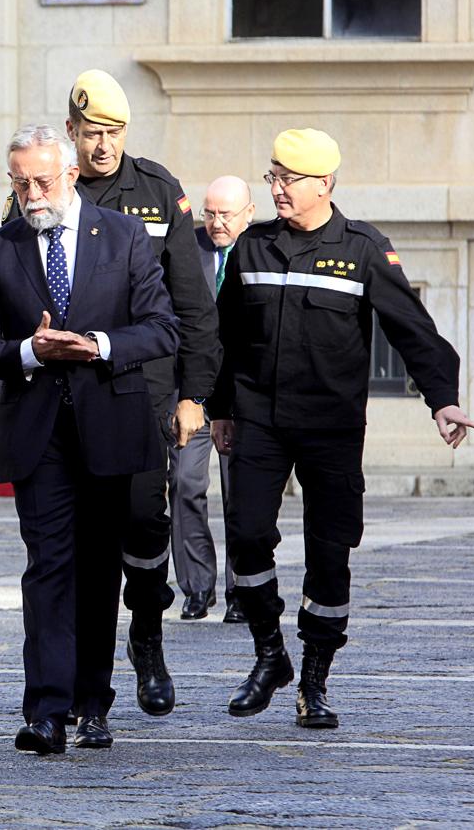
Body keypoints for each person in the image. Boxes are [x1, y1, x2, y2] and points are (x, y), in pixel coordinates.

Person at [209, 128, 474, 728]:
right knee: (248, 534)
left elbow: (412, 328)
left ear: (324, 184)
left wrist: (442, 400)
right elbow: (224, 337)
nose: (277, 189)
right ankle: (269, 654)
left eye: (289, 179)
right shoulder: (252, 248)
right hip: (259, 421)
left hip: (330, 426)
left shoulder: (362, 249)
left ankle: (314, 679)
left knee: (330, 554)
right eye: (273, 176)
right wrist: (219, 407)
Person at [0, 125, 178, 755]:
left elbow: (161, 328)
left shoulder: (126, 235)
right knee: (47, 567)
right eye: (21, 181)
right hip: (38, 430)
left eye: (43, 181)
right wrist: (30, 350)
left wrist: (98, 346)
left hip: (110, 422)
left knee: (98, 568)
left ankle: (93, 703)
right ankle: (46, 711)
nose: (32, 193)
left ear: (72, 175)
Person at [64, 69, 220, 718]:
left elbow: (194, 304)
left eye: (115, 132)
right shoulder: (49, 187)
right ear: (71, 132)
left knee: (143, 519)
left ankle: (147, 634)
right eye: (92, 132)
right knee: (72, 539)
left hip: (143, 391)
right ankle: (76, 676)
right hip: (68, 393)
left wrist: (193, 396)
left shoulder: (158, 192)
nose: (103, 145)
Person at [169, 175, 255, 623]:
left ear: (249, 213)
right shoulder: (187, 249)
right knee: (185, 484)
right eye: (210, 213)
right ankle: (197, 587)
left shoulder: (261, 251)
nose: (216, 222)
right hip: (194, 396)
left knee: (242, 495)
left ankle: (243, 587)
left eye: (226, 214)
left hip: (243, 399)